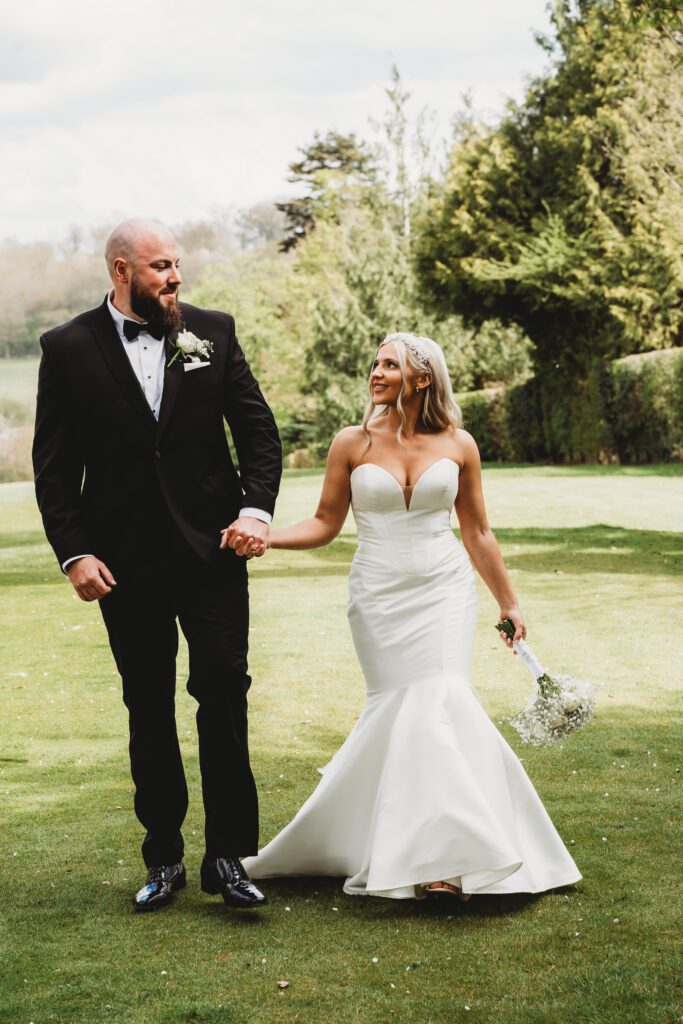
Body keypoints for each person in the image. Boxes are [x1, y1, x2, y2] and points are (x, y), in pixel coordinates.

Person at [242, 333, 581, 899]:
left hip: (444, 588)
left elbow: (476, 531)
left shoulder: (460, 444)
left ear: (422, 378)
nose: (376, 372)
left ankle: (445, 862)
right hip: (377, 593)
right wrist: (266, 537)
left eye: (390, 364)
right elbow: (325, 524)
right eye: (374, 362)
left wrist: (509, 601)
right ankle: (382, 841)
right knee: (400, 709)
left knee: (441, 698)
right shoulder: (351, 442)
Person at [32, 218, 282, 912]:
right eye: (160, 267)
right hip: (124, 564)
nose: (175, 278)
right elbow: (53, 469)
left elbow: (258, 434)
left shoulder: (213, 330)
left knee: (224, 692)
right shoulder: (67, 348)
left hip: (213, 553)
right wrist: (75, 552)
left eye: (177, 265)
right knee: (148, 705)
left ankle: (228, 856)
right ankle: (164, 858)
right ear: (121, 271)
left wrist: (255, 512)